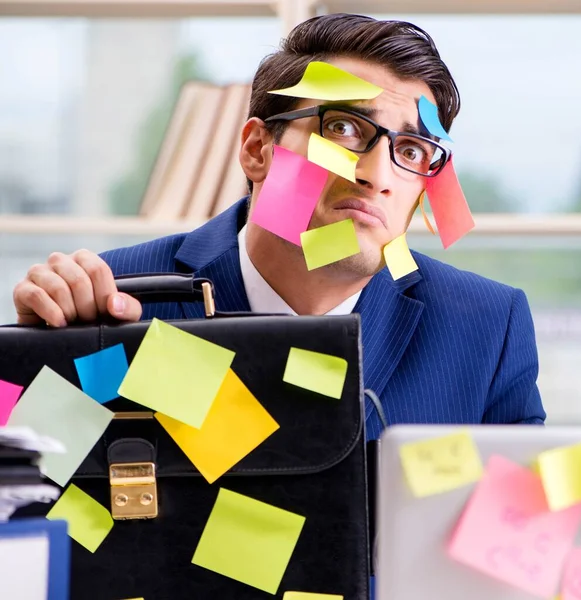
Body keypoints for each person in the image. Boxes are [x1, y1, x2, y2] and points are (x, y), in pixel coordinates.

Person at [12, 13, 545, 441]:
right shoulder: (116, 299)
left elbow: (521, 554)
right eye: (343, 127)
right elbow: (24, 509)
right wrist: (35, 361)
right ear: (256, 149)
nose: (376, 175)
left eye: (410, 150)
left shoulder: (485, 328)